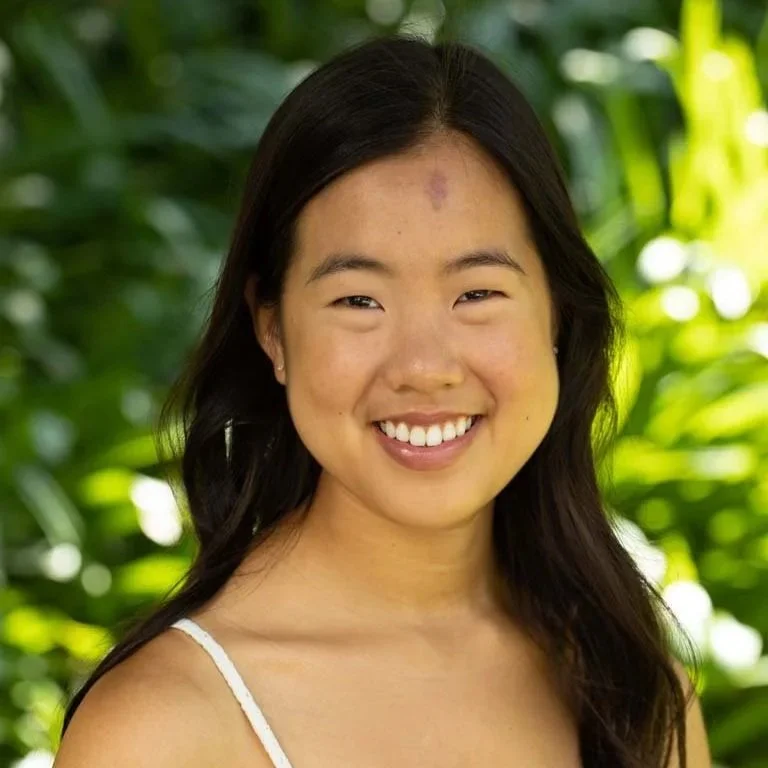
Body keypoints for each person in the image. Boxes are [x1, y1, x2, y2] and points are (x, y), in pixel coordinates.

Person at [53, 33, 711, 768]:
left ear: (557, 313)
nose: (424, 368)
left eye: (477, 294)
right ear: (272, 330)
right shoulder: (162, 729)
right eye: (359, 300)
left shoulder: (636, 694)